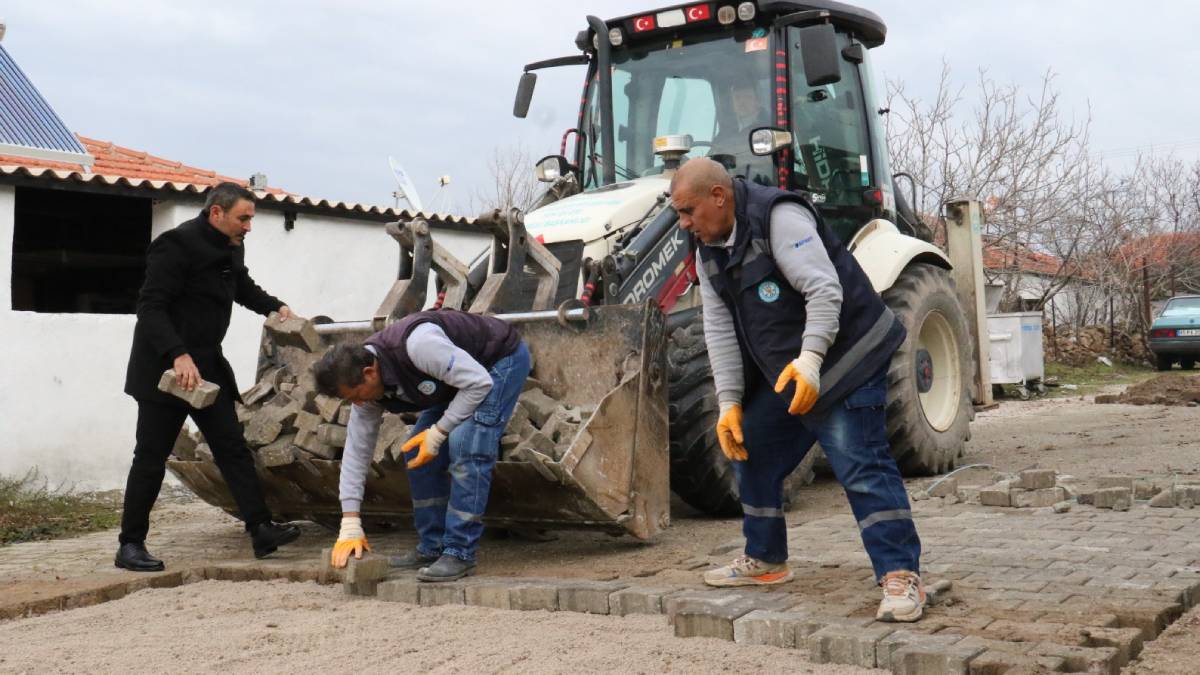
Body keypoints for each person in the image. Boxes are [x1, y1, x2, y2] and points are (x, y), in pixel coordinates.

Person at [671, 157, 925, 622]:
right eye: (679, 215)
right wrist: (729, 403)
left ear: (718, 196)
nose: (685, 224)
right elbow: (719, 329)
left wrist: (811, 361)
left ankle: (900, 575)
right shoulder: (706, 250)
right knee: (750, 443)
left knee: (860, 464)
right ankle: (766, 560)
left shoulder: (779, 218)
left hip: (849, 355)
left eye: (688, 211)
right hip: (793, 369)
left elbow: (824, 291)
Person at [117, 182, 302, 571]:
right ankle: (130, 545)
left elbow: (241, 286)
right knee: (150, 457)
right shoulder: (175, 245)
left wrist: (274, 306)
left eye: (251, 218)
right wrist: (177, 354)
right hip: (166, 368)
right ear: (216, 213)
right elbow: (150, 307)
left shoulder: (232, 245)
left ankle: (261, 529)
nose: (248, 226)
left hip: (207, 366)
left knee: (232, 448)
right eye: (243, 217)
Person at [312, 309, 531, 582]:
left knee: (466, 444)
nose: (357, 404)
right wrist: (350, 522)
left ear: (369, 373)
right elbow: (357, 452)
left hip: (497, 363)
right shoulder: (365, 389)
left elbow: (478, 382)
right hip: (458, 381)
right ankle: (433, 546)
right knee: (417, 452)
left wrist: (439, 431)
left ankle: (459, 552)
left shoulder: (419, 346)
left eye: (355, 396)